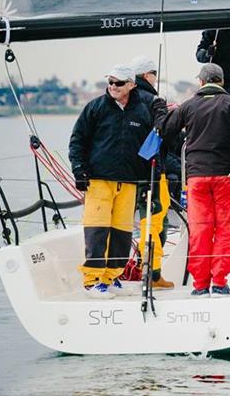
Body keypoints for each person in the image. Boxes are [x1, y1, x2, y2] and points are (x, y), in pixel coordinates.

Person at [154, 63, 230, 297]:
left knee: (200, 230)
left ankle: (199, 285)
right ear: (222, 82)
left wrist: (159, 108)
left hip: (196, 179)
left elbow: (165, 130)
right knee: (228, 229)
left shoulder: (188, 106)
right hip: (226, 178)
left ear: (201, 82)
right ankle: (219, 282)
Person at [69, 64, 152, 299]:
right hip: (98, 180)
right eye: (111, 82)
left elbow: (146, 148)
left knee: (122, 232)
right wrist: (79, 171)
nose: (113, 87)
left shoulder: (141, 112)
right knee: (97, 230)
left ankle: (112, 276)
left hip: (128, 181)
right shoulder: (95, 108)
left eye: (119, 83)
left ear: (132, 85)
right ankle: (92, 281)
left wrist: (147, 178)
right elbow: (77, 141)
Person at [130, 55, 174, 290]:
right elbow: (164, 132)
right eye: (154, 74)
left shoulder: (122, 100)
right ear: (147, 76)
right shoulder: (153, 101)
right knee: (156, 223)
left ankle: (139, 268)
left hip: (126, 173)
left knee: (134, 223)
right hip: (153, 173)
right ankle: (154, 274)